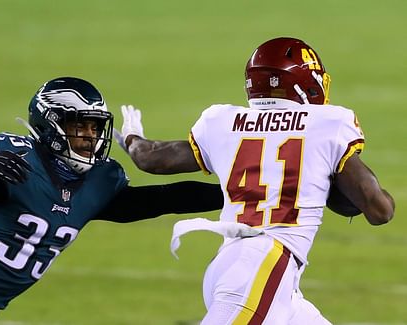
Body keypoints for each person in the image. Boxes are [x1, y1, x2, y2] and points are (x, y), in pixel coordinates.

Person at [115, 37, 395, 324]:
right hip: (262, 266)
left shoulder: (223, 122)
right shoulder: (329, 124)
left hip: (244, 267)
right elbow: (380, 211)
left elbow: (151, 159)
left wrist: (133, 137)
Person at [0, 77, 225, 325]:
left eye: (95, 126)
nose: (90, 136)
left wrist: (239, 189)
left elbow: (161, 200)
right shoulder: (21, 163)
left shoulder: (98, 183)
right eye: (79, 127)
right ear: (50, 126)